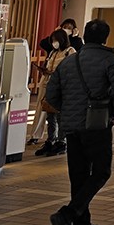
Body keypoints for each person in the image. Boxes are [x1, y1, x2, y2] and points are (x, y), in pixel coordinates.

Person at [45, 19, 114, 225]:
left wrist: (67, 110)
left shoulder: (69, 61)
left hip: (71, 126)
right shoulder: (109, 60)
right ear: (105, 38)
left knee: (78, 175)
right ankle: (67, 215)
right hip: (97, 125)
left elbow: (51, 93)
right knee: (101, 172)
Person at [32, 28, 76, 156]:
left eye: (56, 40)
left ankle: (61, 142)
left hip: (62, 87)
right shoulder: (53, 52)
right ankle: (50, 140)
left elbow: (72, 70)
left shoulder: (70, 51)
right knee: (50, 114)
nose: (54, 43)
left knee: (61, 115)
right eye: (52, 40)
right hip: (49, 85)